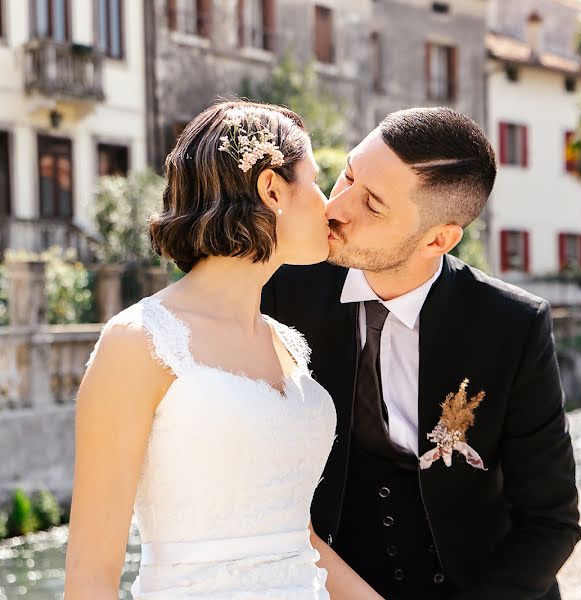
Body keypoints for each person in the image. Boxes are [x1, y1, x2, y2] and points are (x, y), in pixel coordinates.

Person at [64, 100, 380, 599]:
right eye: (316, 181)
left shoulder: (289, 344)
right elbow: (90, 574)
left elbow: (302, 540)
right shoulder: (140, 342)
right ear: (272, 189)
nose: (328, 204)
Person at [262, 107, 581, 600]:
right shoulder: (282, 289)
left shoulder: (512, 326)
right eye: (347, 174)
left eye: (372, 205)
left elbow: (550, 522)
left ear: (439, 238)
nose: (337, 208)